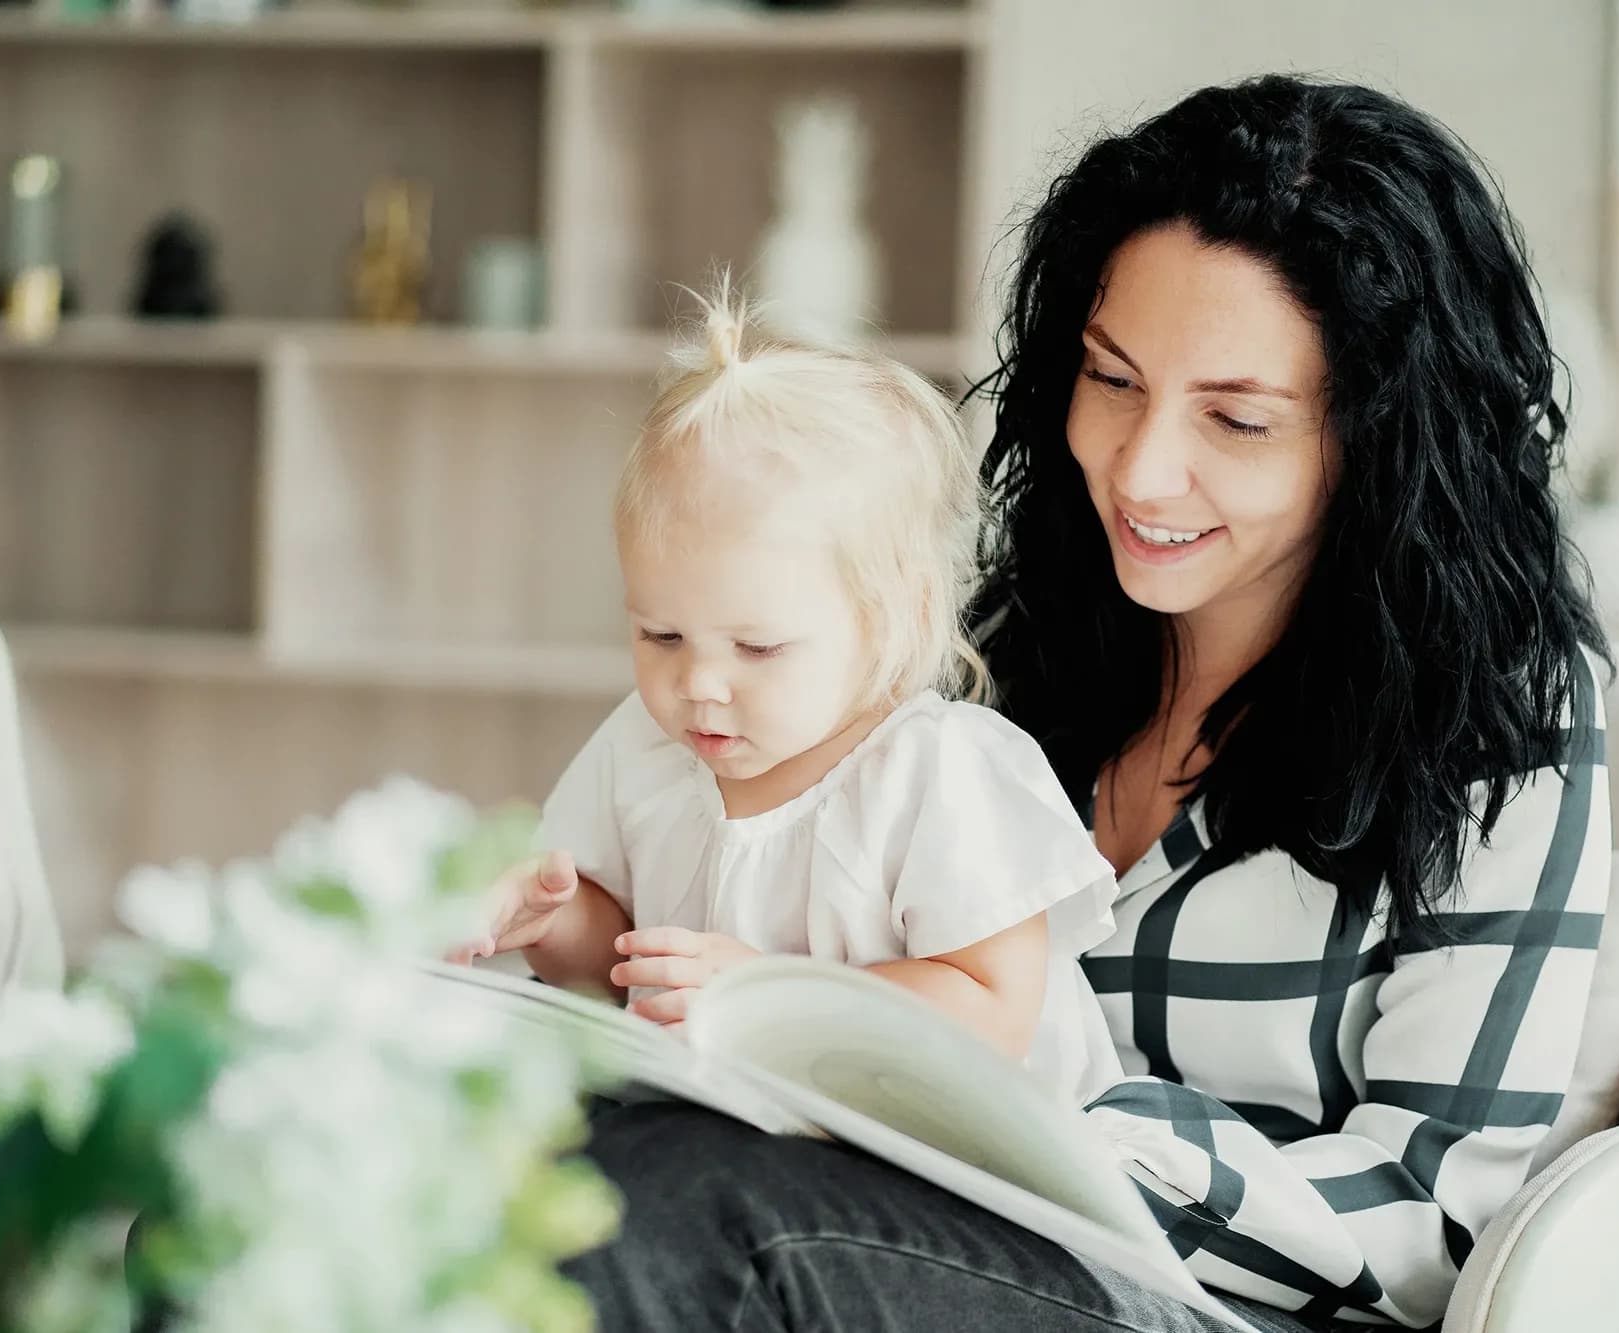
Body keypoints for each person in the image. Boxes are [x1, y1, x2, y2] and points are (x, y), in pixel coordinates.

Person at [558, 74, 1613, 1332]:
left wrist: (1061, 1134)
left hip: (1192, 1299)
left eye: (1234, 417)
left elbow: (1437, 1217)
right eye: (1112, 381)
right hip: (872, 1202)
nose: (1139, 465)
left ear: (1378, 439)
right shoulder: (995, 643)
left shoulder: (1496, 720)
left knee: (687, 1210)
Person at [459, 282, 1125, 1105]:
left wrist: (771, 996)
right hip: (758, 1135)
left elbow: (993, 1013)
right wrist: (549, 919)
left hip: (976, 1173)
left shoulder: (939, 773)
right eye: (660, 635)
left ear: (893, 619)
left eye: (758, 647)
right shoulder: (647, 747)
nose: (697, 683)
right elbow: (627, 968)